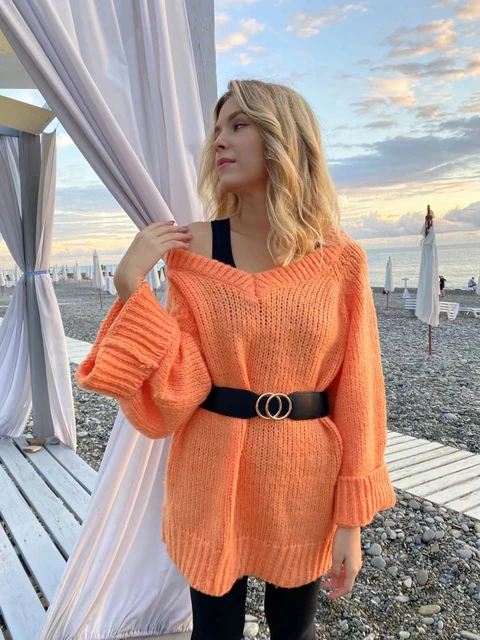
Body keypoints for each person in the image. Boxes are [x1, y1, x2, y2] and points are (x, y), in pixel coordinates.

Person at [76, 79, 396, 640]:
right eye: (218, 128)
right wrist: (131, 287)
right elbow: (180, 388)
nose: (218, 140)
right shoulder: (194, 249)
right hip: (209, 473)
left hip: (303, 478)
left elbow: (360, 391)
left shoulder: (341, 259)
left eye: (239, 125)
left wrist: (352, 521)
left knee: (293, 631)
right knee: (214, 632)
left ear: (283, 138)